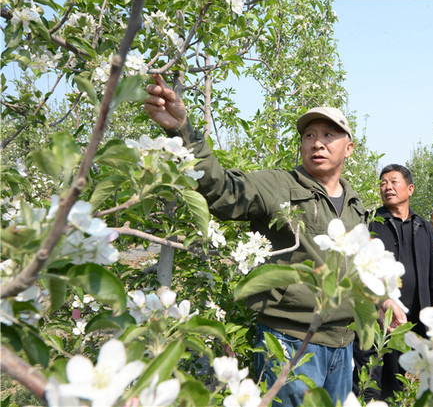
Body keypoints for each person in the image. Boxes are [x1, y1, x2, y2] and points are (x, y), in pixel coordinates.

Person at [144, 74, 368, 406]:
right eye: (309, 136)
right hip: (290, 341)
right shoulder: (281, 185)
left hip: (342, 344)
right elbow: (223, 189)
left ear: (348, 148)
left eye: (328, 135)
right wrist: (183, 132)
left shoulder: (357, 206)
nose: (317, 143)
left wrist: (381, 299)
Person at [353, 164, 433, 401]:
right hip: (379, 318)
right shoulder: (371, 224)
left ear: (410, 188)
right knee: (373, 379)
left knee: (409, 382)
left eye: (394, 182)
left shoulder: (426, 229)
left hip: (416, 319)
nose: (387, 187)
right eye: (383, 183)